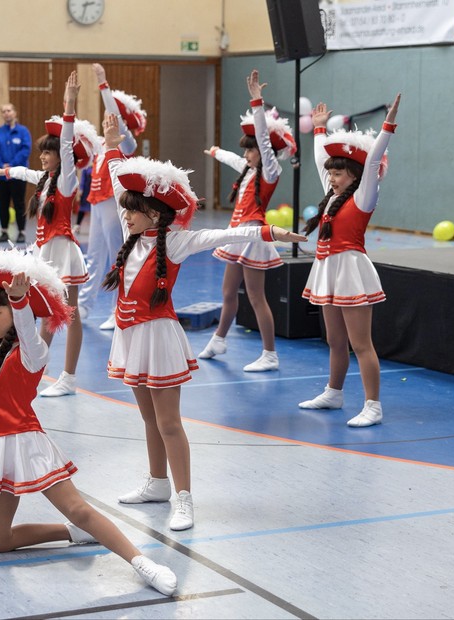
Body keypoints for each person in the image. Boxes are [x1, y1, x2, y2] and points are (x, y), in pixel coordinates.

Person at [99, 113, 307, 531]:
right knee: (148, 419)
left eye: (134, 210)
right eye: (127, 210)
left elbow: (225, 235)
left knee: (169, 422)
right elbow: (118, 179)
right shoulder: (131, 235)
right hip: (129, 335)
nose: (126, 214)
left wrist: (272, 233)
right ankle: (157, 483)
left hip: (158, 338)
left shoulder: (175, 242)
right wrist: (110, 145)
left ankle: (184, 498)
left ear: (155, 213)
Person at [0, 208, 178, 595]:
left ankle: (143, 563)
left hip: (25, 443)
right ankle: (71, 533)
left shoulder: (33, 352)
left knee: (79, 508)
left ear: (18, 311)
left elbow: (25, 325)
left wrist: (19, 302)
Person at [0, 72, 94, 399]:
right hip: (45, 252)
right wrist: (5, 171)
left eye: (49, 152)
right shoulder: (46, 180)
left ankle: (67, 377)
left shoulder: (67, 181)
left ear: (62, 156)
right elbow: (26, 172)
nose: (43, 157)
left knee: (67, 315)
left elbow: (66, 145)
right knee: (46, 312)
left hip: (62, 251)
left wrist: (69, 105)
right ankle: (31, 370)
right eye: (42, 152)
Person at [298, 95, 401, 428]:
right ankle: (334, 392)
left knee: (361, 344)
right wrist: (318, 130)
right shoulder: (332, 197)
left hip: (351, 271)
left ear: (355, 175)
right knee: (335, 340)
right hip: (328, 269)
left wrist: (387, 126)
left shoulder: (364, 195)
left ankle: (373, 405)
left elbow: (373, 162)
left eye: (339, 173)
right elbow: (320, 161)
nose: (332, 177)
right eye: (331, 173)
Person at [198, 70, 297, 372]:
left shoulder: (270, 172)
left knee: (255, 296)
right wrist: (216, 152)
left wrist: (257, 102)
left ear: (266, 153)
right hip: (237, 235)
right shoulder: (248, 171)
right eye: (246, 149)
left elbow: (264, 142)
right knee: (228, 292)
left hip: (253, 235)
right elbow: (234, 158)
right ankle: (219, 339)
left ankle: (270, 354)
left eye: (250, 149)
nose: (247, 153)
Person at [79, 64, 145, 330]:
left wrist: (102, 83)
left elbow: (115, 113)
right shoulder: (102, 144)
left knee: (118, 255)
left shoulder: (126, 143)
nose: (108, 118)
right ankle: (84, 304)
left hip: (114, 202)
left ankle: (119, 308)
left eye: (112, 115)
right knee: (94, 255)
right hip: (97, 201)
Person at [0, 102, 32, 243]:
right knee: (3, 203)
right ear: (2, 115)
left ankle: (21, 232)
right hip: (1, 176)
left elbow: (25, 150)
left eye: (9, 110)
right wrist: (1, 166)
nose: (6, 113)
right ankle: (4, 231)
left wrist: (11, 167)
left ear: (15, 113)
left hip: (18, 174)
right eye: (4, 111)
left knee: (19, 203)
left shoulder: (23, 132)